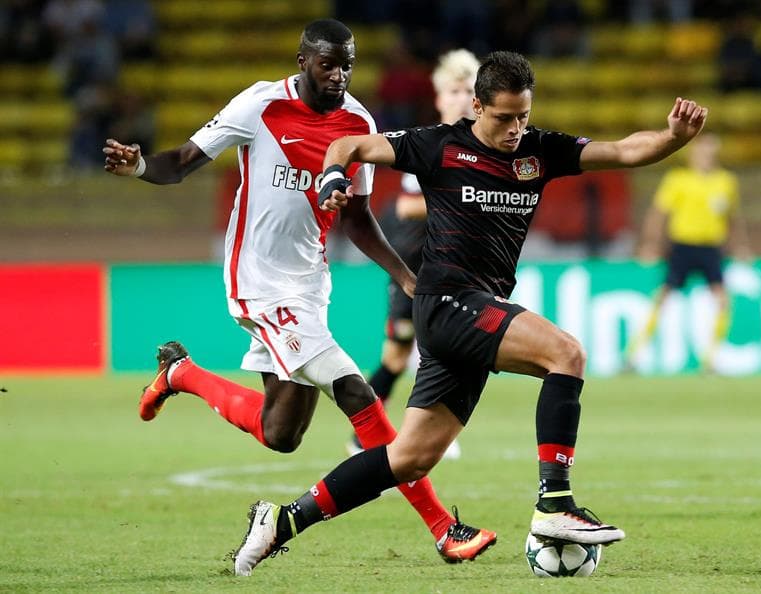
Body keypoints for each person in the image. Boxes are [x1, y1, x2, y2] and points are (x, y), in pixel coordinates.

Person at [230, 51, 709, 576]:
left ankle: (279, 521)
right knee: (565, 353)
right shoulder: (437, 145)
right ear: (477, 105)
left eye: (523, 116)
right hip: (446, 301)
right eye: (504, 117)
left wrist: (672, 139)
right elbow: (348, 145)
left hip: (469, 313)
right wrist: (331, 177)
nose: (514, 129)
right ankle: (555, 505)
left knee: (409, 458)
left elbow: (621, 151)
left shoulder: (539, 151)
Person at [102, 18, 495, 571]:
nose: (338, 74)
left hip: (310, 283)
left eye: (348, 64)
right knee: (357, 393)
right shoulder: (261, 106)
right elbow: (184, 162)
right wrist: (140, 165)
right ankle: (443, 527)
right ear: (302, 59)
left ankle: (181, 374)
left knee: (281, 432)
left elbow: (358, 218)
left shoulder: (357, 121)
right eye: (328, 63)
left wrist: (406, 276)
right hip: (258, 281)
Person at [347, 48, 481, 461]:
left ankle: (421, 433)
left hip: (453, 269)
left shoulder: (484, 149)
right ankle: (372, 432)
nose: (462, 98)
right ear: (440, 99)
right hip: (413, 266)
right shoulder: (430, 146)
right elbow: (407, 206)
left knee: (430, 350)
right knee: (403, 351)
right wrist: (467, 196)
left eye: (470, 90)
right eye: (455, 90)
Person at [625, 132, 750, 372]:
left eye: (711, 152)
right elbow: (659, 214)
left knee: (723, 301)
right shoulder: (678, 179)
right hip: (683, 246)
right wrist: (650, 243)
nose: (707, 156)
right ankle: (633, 355)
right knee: (662, 299)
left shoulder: (726, 181)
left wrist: (740, 246)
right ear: (693, 154)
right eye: (703, 151)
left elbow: (733, 218)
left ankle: (710, 360)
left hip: (712, 248)